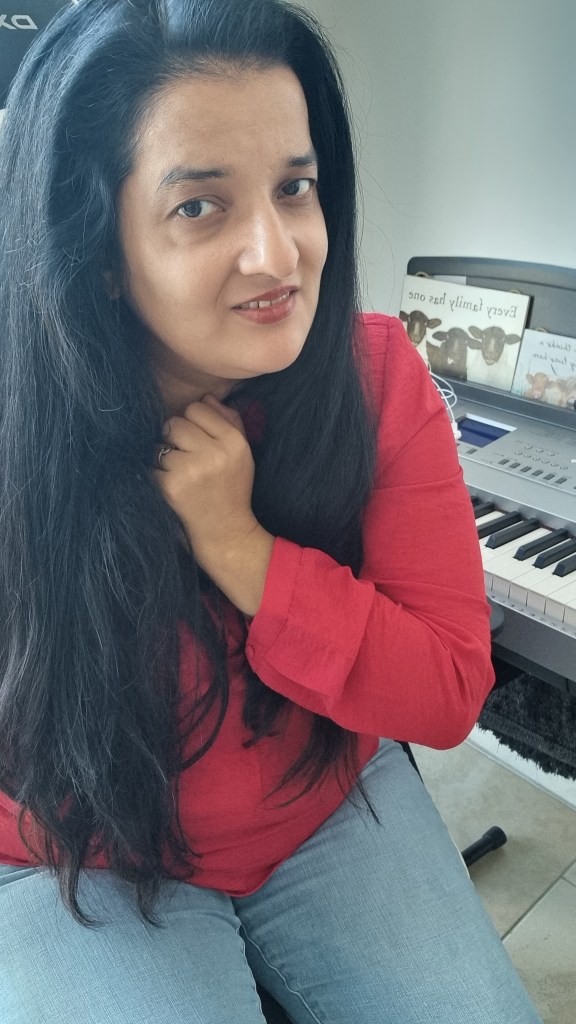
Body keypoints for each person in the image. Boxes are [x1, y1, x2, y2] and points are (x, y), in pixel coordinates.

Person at [0, 1, 542, 1021]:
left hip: (319, 806)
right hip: (79, 853)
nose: (279, 253)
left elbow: (446, 692)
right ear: (97, 248)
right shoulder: (22, 428)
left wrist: (243, 549)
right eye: (200, 206)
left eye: (295, 188)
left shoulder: (375, 378)